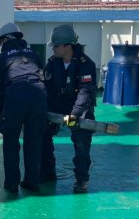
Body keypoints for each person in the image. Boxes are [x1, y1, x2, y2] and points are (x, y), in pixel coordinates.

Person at [0, 22, 47, 193]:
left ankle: (12, 184)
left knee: (10, 142)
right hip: (39, 96)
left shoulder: (2, 58)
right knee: (34, 142)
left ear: (6, 39)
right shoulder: (34, 54)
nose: (1, 46)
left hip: (16, 97)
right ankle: (32, 182)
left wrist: (1, 111)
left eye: (1, 42)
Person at [41, 24, 97, 193]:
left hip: (78, 111)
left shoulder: (86, 65)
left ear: (68, 46)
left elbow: (86, 92)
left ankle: (81, 179)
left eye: (56, 46)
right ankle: (47, 172)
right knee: (42, 134)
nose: (53, 49)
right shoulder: (52, 63)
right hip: (58, 108)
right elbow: (46, 88)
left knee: (80, 142)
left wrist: (74, 115)